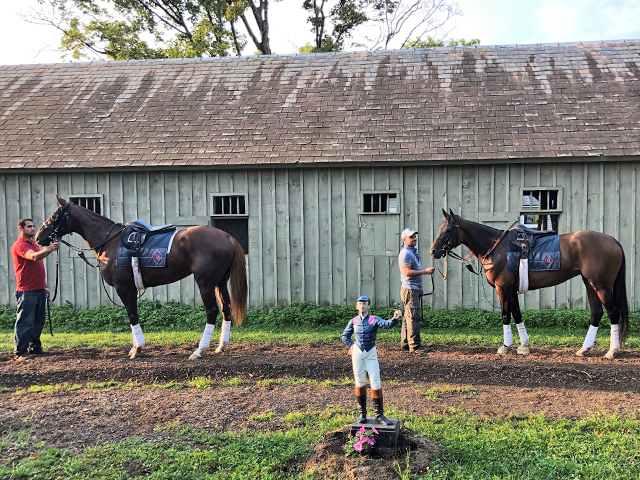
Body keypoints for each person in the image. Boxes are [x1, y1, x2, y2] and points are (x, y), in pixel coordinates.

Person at [341, 295, 402, 425]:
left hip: (370, 353)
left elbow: (386, 324)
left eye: (365, 304)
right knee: (360, 381)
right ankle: (362, 413)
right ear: (357, 306)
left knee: (375, 381)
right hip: (358, 353)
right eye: (360, 304)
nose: (362, 306)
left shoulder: (374, 319)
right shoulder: (354, 321)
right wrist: (351, 346)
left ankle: (379, 414)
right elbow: (345, 335)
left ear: (369, 306)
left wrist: (395, 318)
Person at [11, 218, 59, 361]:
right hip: (27, 290)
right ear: (21, 229)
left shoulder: (33, 243)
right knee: (25, 321)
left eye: (33, 226)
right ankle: (20, 352)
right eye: (29, 227)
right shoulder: (20, 245)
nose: (33, 229)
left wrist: (44, 286)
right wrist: (50, 248)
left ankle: (35, 347)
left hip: (39, 289)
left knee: (38, 321)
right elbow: (33, 257)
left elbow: (37, 268)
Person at [398, 228, 435, 353]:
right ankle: (415, 346)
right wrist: (425, 271)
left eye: (414, 236)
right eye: (411, 237)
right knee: (413, 317)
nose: (414, 239)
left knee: (407, 317)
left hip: (412, 289)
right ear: (404, 239)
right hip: (410, 289)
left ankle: (405, 343)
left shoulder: (411, 252)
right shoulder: (405, 254)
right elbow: (407, 272)